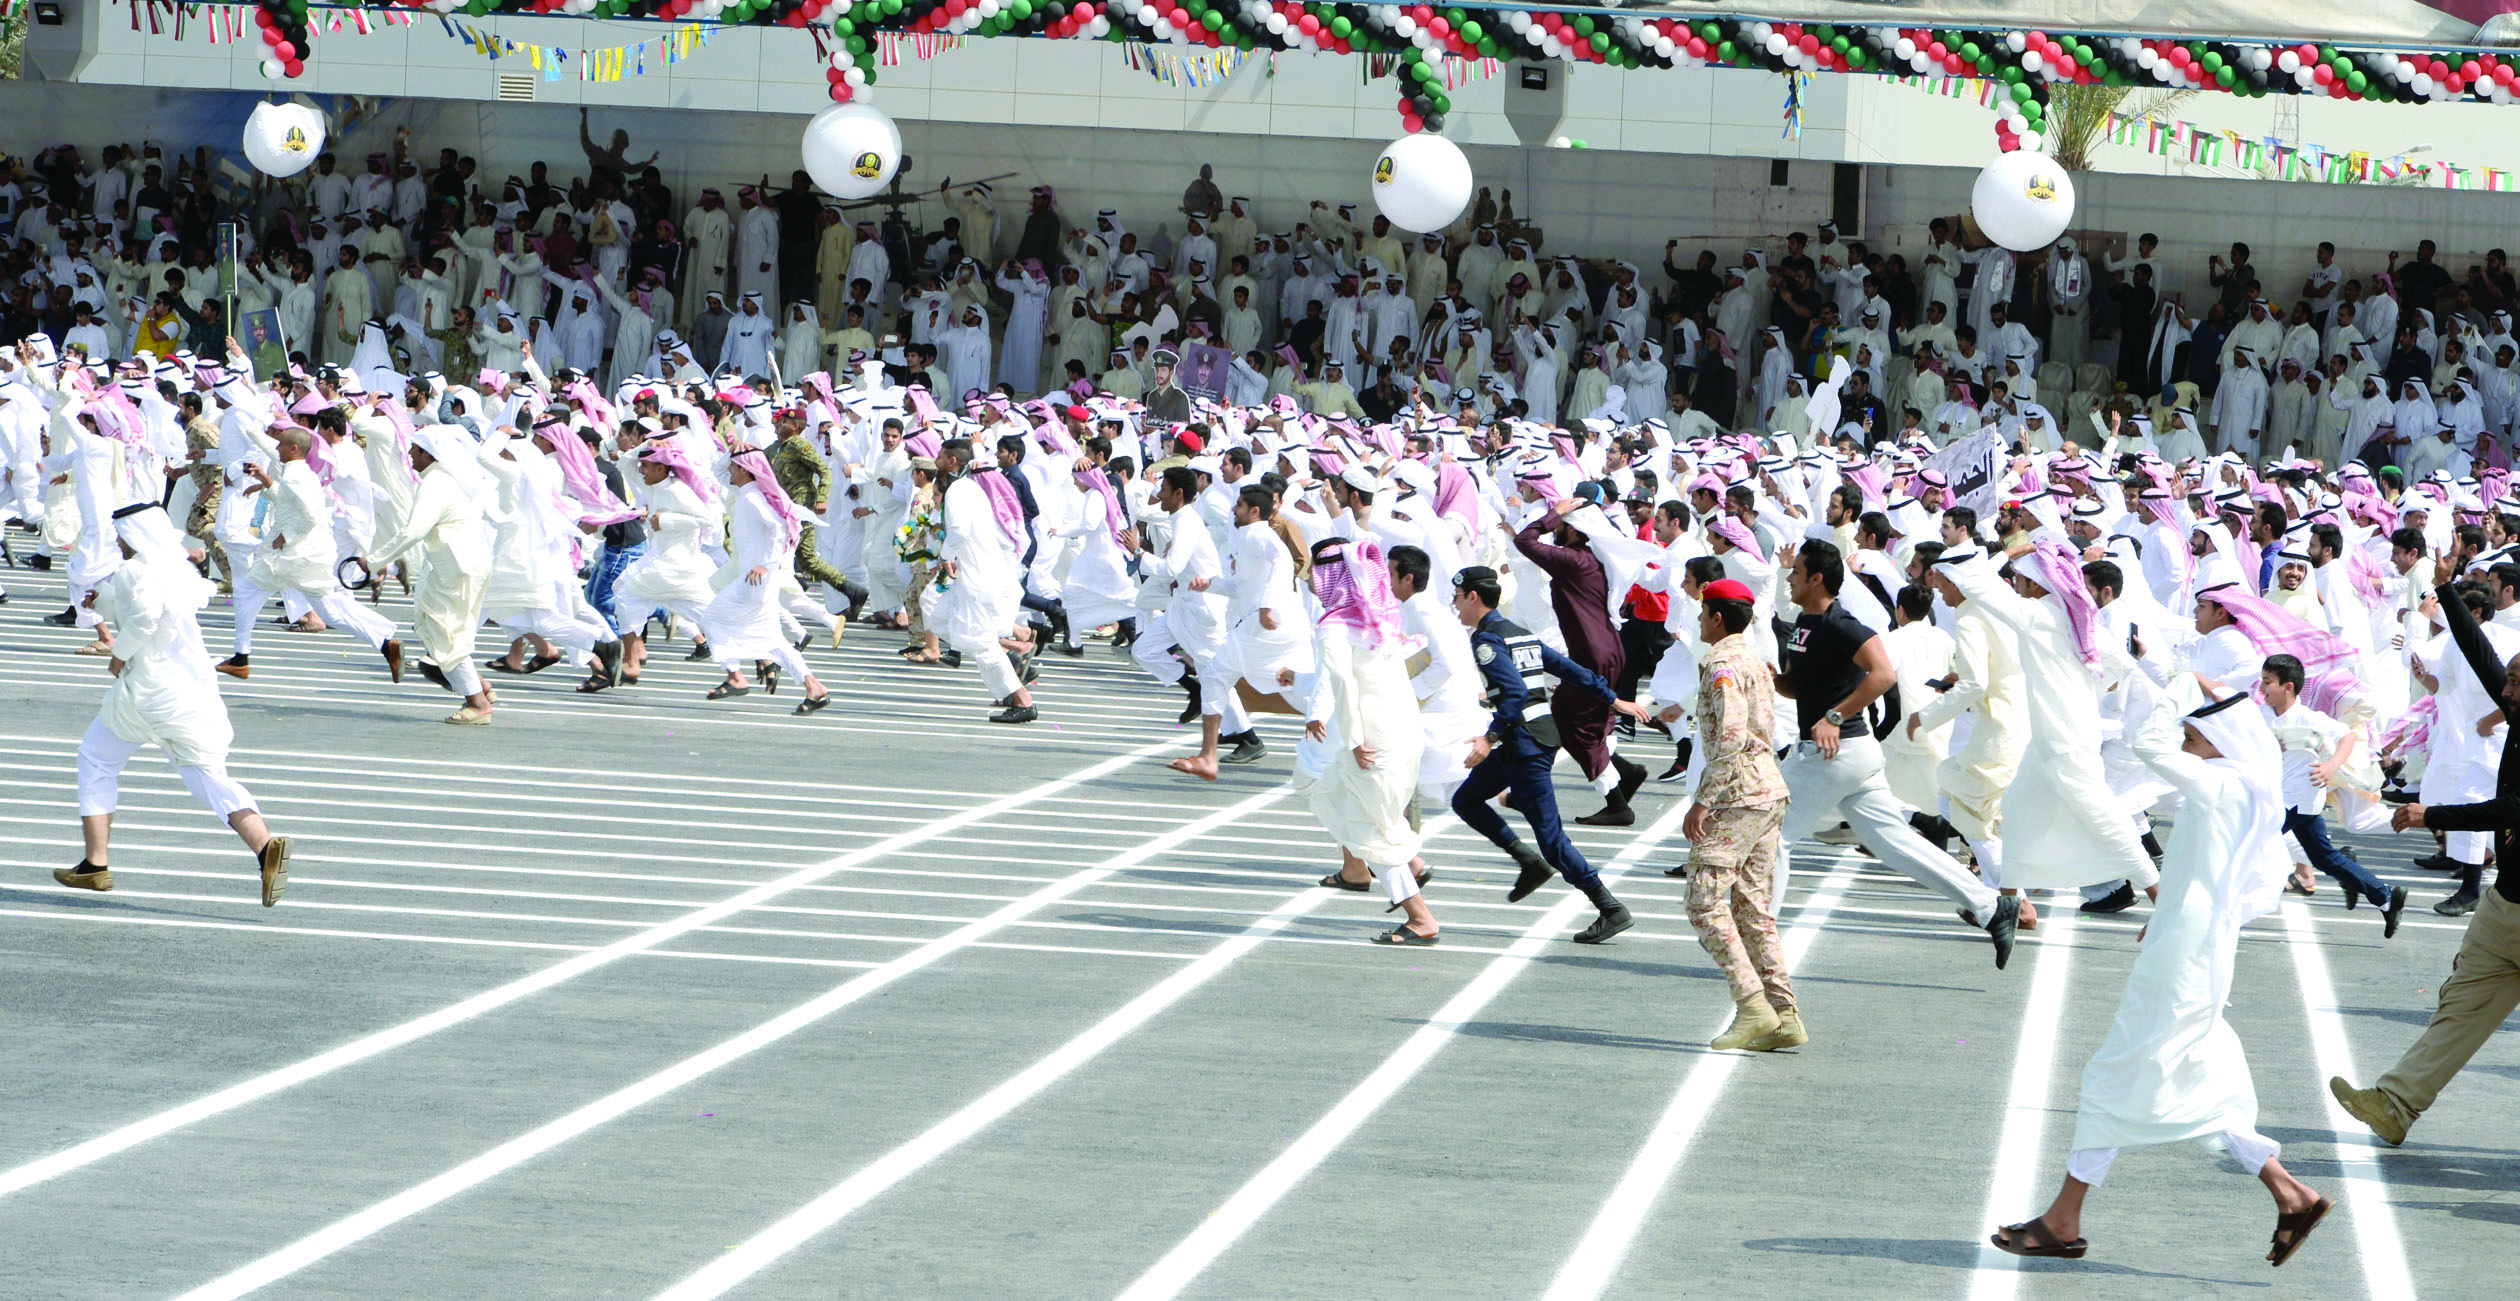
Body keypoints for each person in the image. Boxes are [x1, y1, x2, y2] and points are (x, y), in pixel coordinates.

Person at [1991, 677, 2333, 1270]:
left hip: (2187, 951)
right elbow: (2215, 875)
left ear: (2221, 738)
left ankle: (2063, 1220)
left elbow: (2147, 743)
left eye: (2194, 734)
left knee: (2114, 1075)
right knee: (2205, 1078)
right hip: (2196, 941)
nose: (2185, 742)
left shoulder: (2221, 782)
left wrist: (2176, 683)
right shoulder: (2247, 789)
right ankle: (2291, 1194)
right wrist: (2172, 917)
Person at [2331, 552, 2520, 1148]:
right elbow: (2486, 661)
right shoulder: (2517, 700)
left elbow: (2514, 811)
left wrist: (2428, 814)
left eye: (2515, 684)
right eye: (2510, 682)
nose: (2504, 692)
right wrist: (2446, 588)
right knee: (2461, 1002)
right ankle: (2396, 1104)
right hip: (2507, 904)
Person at [1774, 541, 2020, 967]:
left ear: (1817, 579)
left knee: (1770, 835)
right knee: (1894, 842)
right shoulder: (1803, 624)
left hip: (1835, 751)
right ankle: (1991, 906)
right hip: (1851, 758)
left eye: (1796, 570)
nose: (1789, 576)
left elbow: (1883, 673)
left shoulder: (1840, 623)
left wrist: (1835, 714)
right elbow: (1800, 687)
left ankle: (1759, 938)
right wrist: (1770, 679)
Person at [54, 503, 294, 906]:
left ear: (133, 534)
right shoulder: (175, 569)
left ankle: (96, 865)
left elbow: (145, 617)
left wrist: (119, 654)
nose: (117, 540)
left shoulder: (135, 570)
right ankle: (264, 845)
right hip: (189, 689)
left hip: (147, 692)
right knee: (205, 773)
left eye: (121, 534)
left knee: (96, 759)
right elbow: (147, 606)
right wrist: (106, 600)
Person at [1447, 564, 1634, 945]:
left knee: (1552, 840)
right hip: (1534, 738)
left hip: (1526, 745)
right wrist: (1612, 696)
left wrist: (1488, 737)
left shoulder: (1487, 641)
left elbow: (1515, 693)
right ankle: (1526, 861)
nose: (1455, 606)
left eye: (1457, 598)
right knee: (1466, 799)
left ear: (1473, 597)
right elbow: (1566, 668)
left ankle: (1609, 906)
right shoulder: (1517, 632)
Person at [1682, 576, 1803, 1051]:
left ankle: (1753, 1006)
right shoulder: (1751, 657)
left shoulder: (1721, 664)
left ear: (1716, 617)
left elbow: (1730, 736)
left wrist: (1703, 800)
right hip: (1768, 791)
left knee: (1704, 901)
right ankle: (1785, 1012)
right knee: (1753, 909)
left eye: (1702, 612)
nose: (1698, 620)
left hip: (1738, 797)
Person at [2258, 653, 2409, 933]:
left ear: (2288, 687)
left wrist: (2330, 767)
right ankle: (2385, 897)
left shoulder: (2308, 717)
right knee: (2325, 858)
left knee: (2253, 842)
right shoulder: (2261, 714)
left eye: (2268, 682)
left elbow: (2347, 736)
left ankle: (2231, 908)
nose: (2261, 688)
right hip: (2287, 798)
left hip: (2298, 799)